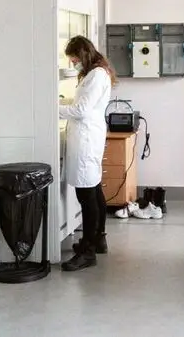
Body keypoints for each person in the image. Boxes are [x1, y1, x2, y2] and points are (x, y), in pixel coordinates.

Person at [58, 35, 115, 272]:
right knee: (94, 189)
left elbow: (81, 110)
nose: (72, 63)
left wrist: (53, 108)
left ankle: (88, 252)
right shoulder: (96, 73)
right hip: (89, 137)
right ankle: (98, 239)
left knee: (87, 195)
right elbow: (84, 104)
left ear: (82, 54)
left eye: (73, 58)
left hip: (86, 139)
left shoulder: (96, 75)